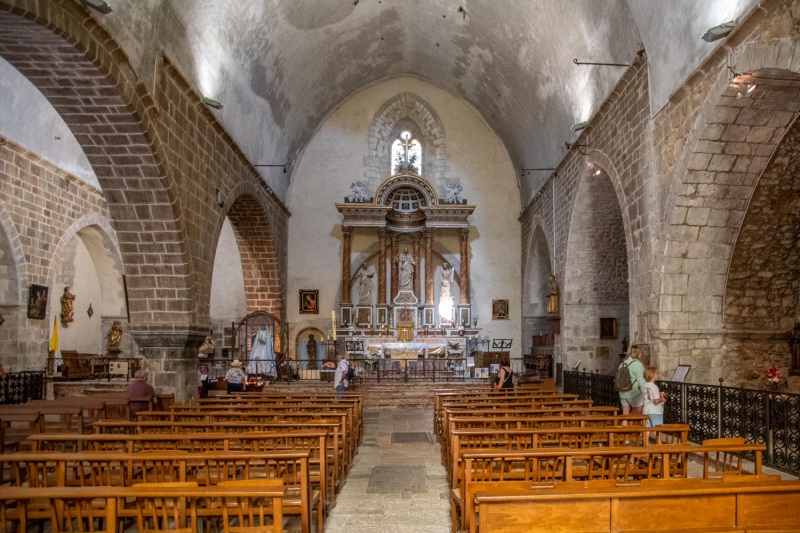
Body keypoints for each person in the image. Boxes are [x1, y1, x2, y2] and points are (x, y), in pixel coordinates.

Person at [618, 345, 647, 421]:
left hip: (623, 392)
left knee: (625, 416)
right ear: (636, 353)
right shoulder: (638, 364)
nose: (642, 354)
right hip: (634, 393)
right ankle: (633, 432)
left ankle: (625, 432)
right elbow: (641, 381)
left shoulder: (623, 363)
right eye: (640, 352)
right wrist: (647, 393)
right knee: (635, 417)